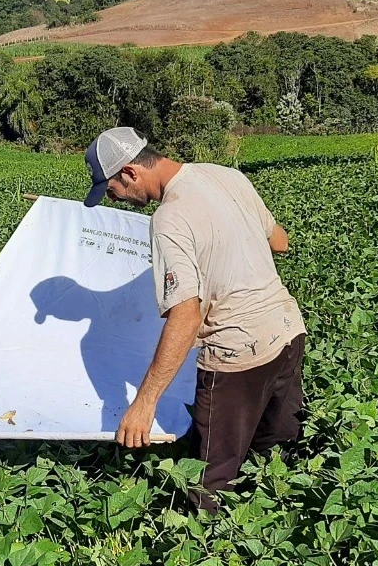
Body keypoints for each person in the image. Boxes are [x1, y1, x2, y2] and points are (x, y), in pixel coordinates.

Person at [82, 127, 308, 512]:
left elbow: (186, 316)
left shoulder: (169, 218)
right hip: (288, 333)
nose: (115, 199)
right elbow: (280, 241)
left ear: (131, 172)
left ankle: (213, 542)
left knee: (209, 486)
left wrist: (144, 403)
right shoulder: (225, 175)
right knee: (275, 460)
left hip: (237, 359)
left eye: (112, 189)